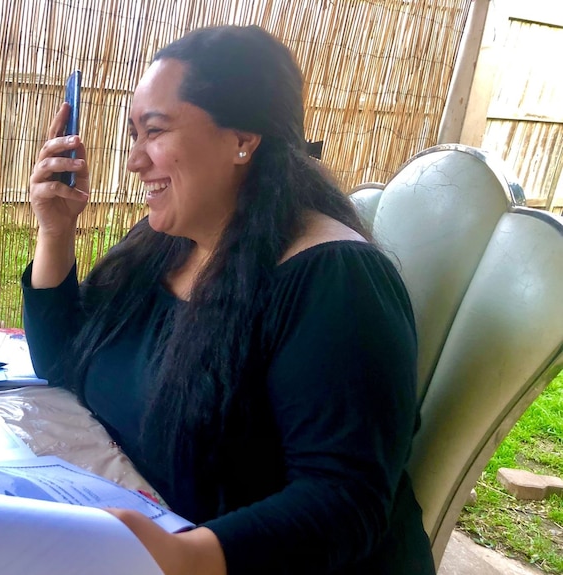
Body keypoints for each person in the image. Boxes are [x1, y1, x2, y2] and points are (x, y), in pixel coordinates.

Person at [22, 24, 434, 575]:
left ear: (243, 138)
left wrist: (181, 557)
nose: (134, 160)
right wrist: (55, 231)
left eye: (155, 131)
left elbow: (345, 502)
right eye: (133, 135)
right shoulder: (163, 246)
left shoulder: (336, 282)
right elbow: (63, 362)